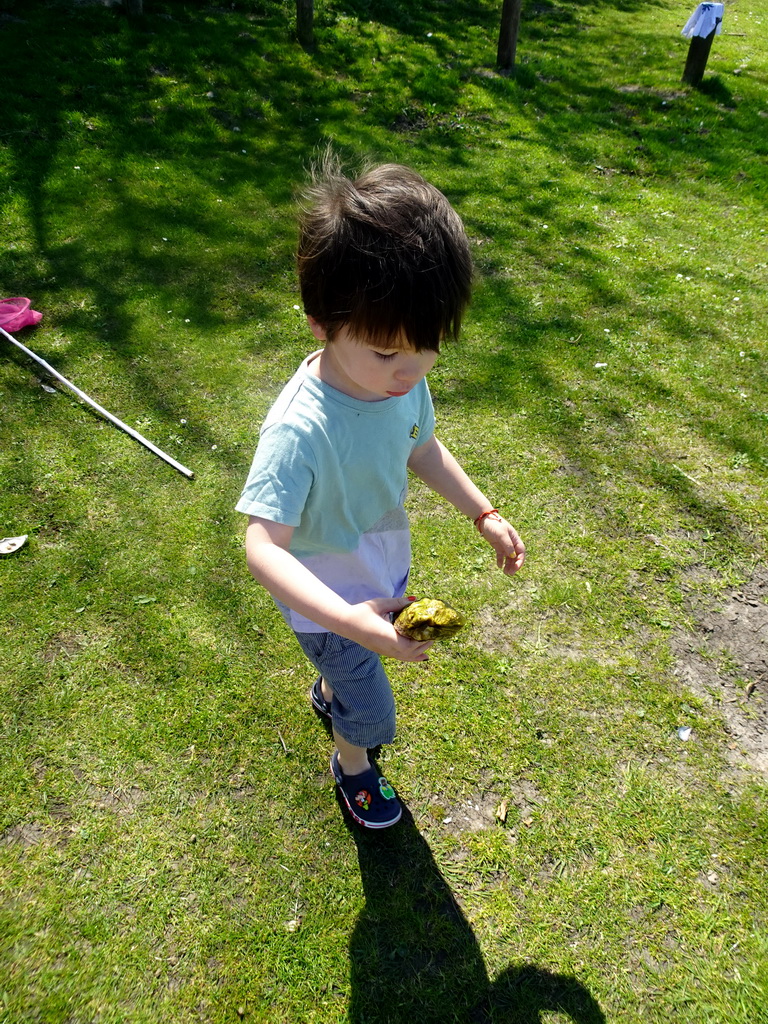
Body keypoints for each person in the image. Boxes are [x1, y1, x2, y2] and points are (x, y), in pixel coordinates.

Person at [237, 156, 525, 829]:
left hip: (377, 568)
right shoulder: (300, 430)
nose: (409, 372)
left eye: (426, 350)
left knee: (352, 672)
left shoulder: (400, 382)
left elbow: (419, 445)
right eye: (386, 354)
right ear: (320, 322)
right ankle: (354, 763)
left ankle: (336, 683)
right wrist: (348, 623)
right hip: (329, 602)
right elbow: (261, 548)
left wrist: (481, 512)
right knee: (373, 710)